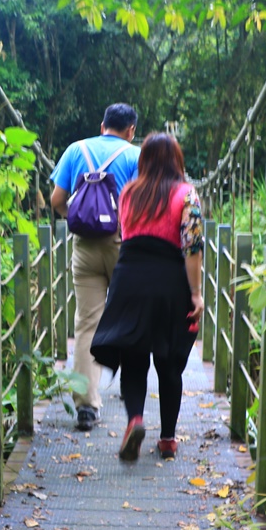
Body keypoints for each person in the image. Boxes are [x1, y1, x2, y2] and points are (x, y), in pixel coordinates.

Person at [90, 132, 204, 461]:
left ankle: (135, 421)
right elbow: (192, 248)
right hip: (169, 280)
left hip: (129, 279)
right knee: (169, 363)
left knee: (135, 357)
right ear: (177, 160)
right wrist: (195, 294)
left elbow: (126, 235)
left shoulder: (128, 193)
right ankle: (167, 439)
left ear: (143, 161)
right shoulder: (187, 195)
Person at [50, 103, 140, 431]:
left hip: (85, 245)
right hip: (124, 245)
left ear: (102, 125)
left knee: (87, 323)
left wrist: (79, 219)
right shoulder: (136, 156)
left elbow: (56, 200)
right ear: (130, 130)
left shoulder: (76, 150)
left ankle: (86, 406)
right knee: (129, 317)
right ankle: (130, 386)